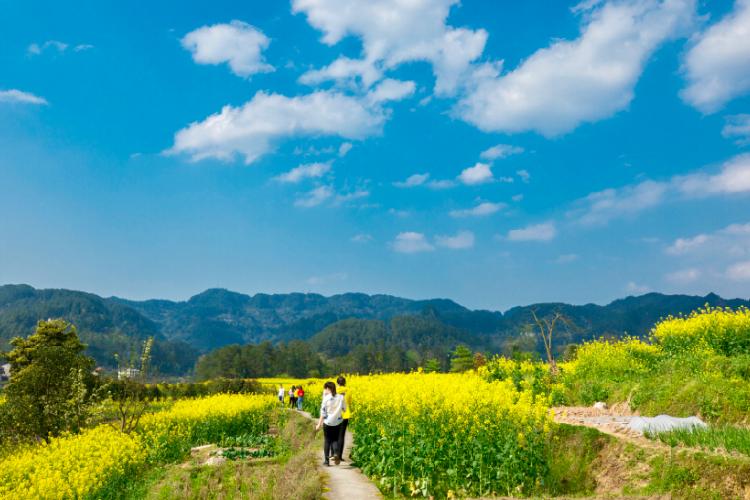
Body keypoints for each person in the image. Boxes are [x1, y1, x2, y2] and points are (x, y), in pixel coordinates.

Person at [315, 381, 346, 466]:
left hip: (328, 422)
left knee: (327, 441)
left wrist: (319, 424)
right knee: (335, 439)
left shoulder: (326, 398)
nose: (324, 390)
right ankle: (336, 453)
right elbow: (344, 409)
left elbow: (323, 412)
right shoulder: (341, 397)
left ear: (328, 389)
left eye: (325, 388)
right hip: (338, 422)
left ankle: (326, 461)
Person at [336, 376, 352, 461]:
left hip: (336, 415)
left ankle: (333, 454)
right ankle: (339, 456)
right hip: (345, 414)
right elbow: (349, 401)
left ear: (337, 383)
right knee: (341, 435)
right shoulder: (348, 390)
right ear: (345, 382)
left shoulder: (334, 390)